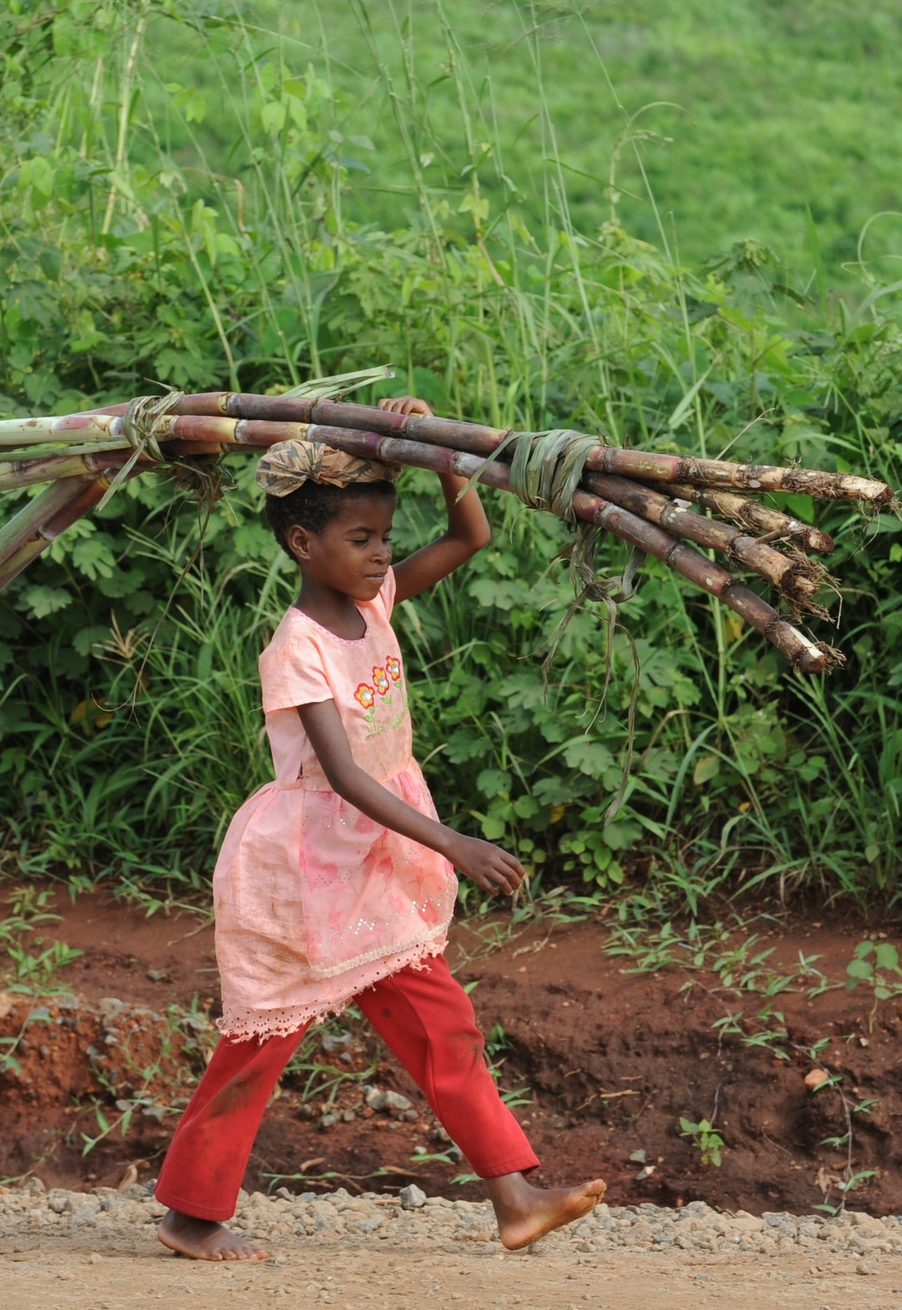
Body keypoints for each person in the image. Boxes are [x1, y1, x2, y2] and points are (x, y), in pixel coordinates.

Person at [153, 396, 608, 1262]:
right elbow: (345, 776)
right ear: (302, 543)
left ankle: (515, 1197)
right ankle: (191, 1213)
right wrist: (455, 843)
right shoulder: (297, 648)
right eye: (361, 539)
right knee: (259, 1042)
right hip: (303, 870)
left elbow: (471, 536)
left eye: (386, 537)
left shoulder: (378, 601)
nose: (381, 553)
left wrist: (436, 452)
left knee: (442, 1024)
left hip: (374, 863)